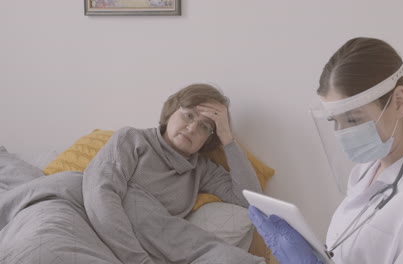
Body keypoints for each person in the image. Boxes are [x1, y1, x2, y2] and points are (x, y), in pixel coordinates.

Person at [248, 37, 403, 264]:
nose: (343, 134)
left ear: (399, 102)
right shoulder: (370, 166)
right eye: (335, 120)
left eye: (353, 119)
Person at [82, 83, 265, 264]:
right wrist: (137, 259)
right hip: (87, 223)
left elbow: (250, 200)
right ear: (171, 112)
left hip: (142, 249)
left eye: (204, 127)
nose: (192, 128)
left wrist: (227, 138)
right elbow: (100, 193)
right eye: (189, 115)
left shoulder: (201, 170)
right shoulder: (131, 139)